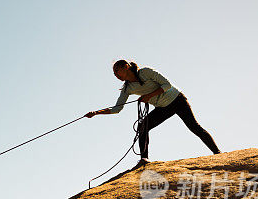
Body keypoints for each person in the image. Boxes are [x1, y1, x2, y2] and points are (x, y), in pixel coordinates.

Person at [86, 60, 221, 165]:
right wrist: (96, 113)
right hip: (163, 108)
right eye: (114, 73)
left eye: (116, 71)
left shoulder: (145, 72)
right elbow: (117, 109)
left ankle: (218, 153)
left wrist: (148, 96)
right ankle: (144, 159)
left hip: (177, 100)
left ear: (126, 67)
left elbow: (166, 85)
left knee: (194, 127)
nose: (115, 75)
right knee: (142, 126)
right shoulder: (127, 88)